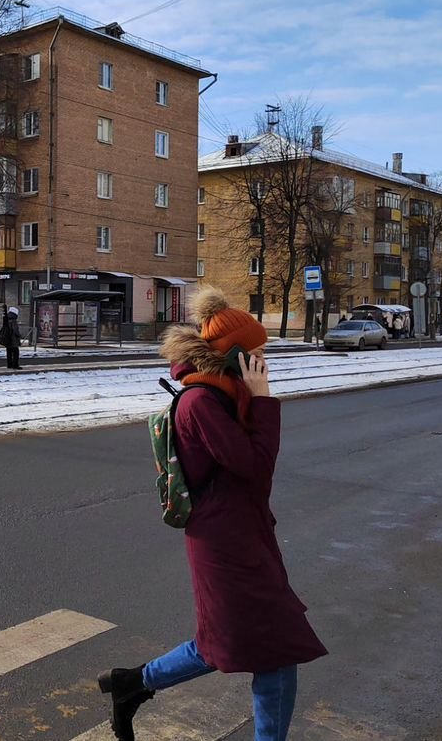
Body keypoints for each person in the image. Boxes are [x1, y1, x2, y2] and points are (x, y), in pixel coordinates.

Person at [99, 286, 326, 741]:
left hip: (242, 537)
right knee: (271, 647)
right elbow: (255, 469)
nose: (264, 361)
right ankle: (132, 684)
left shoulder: (223, 396)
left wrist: (253, 400)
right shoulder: (201, 402)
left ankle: (131, 684)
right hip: (225, 545)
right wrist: (263, 400)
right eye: (257, 353)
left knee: (230, 642)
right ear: (236, 356)